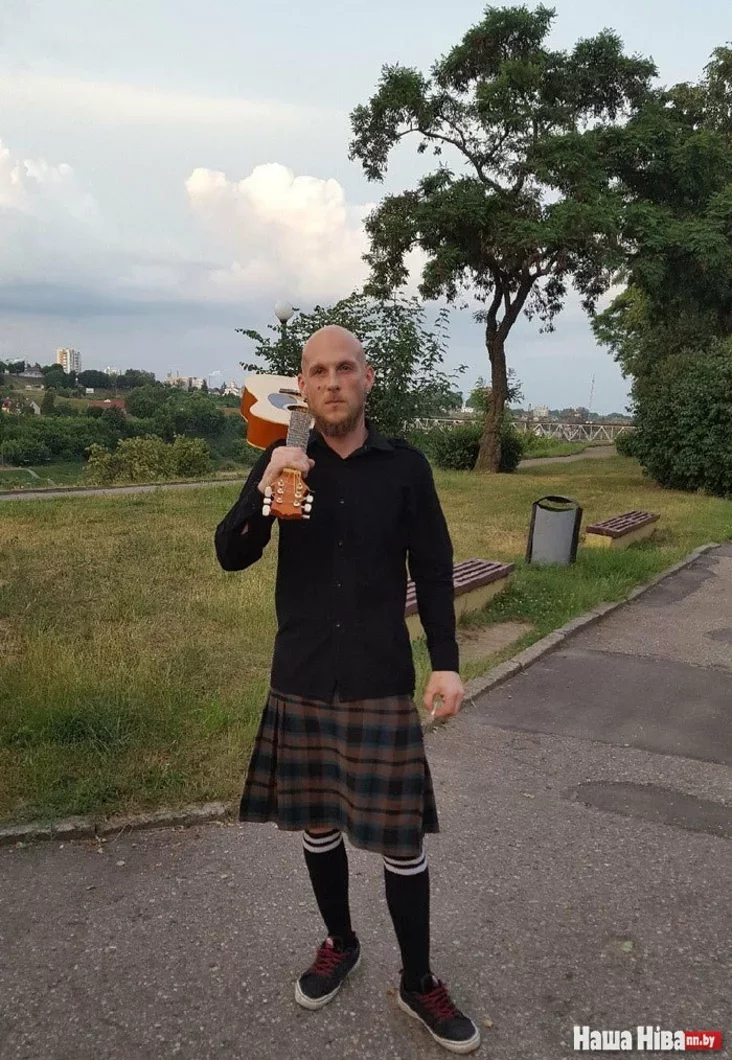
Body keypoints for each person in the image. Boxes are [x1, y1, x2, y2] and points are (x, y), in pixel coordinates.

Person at [214, 325, 480, 1054]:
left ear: (366, 379)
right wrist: (263, 492)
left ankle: (419, 980)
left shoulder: (405, 469)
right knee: (317, 826)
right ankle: (340, 942)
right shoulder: (282, 457)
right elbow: (231, 555)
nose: (332, 382)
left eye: (344, 368)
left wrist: (447, 662)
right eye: (318, 372)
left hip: (377, 678)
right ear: (301, 387)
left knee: (401, 841)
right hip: (301, 675)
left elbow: (433, 570)